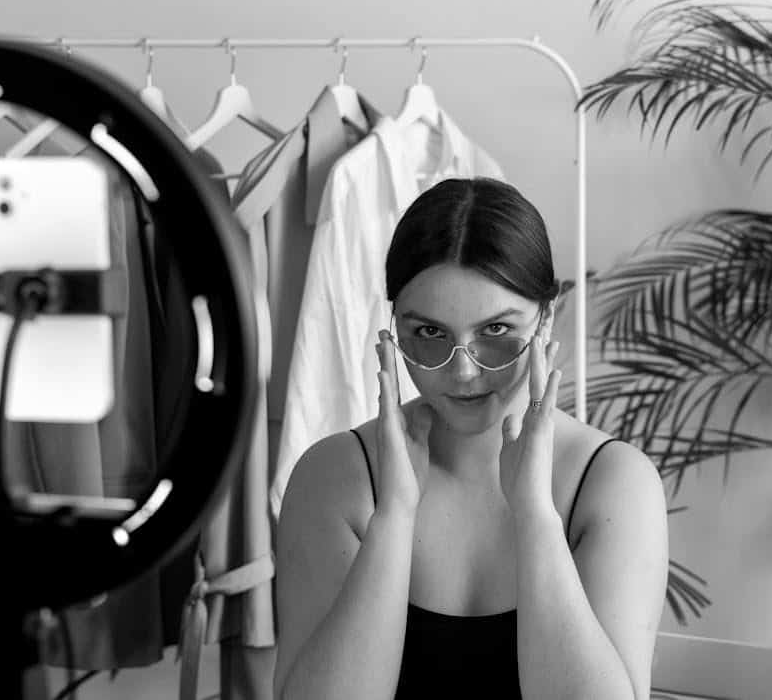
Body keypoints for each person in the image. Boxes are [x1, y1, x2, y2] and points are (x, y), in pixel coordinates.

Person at [272, 177, 669, 699]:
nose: (462, 372)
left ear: (547, 319)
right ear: (393, 330)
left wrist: (536, 517)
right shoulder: (335, 477)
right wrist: (392, 518)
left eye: (497, 332)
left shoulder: (614, 483)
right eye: (430, 333)